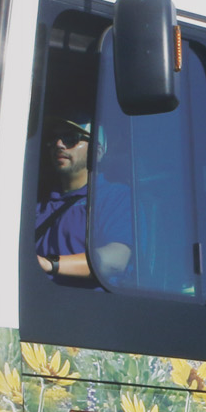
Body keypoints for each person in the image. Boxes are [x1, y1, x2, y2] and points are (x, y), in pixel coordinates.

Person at [33, 116, 132, 290]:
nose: (59, 144)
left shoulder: (115, 196)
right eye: (54, 139)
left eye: (70, 139)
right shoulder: (37, 205)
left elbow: (116, 260)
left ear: (97, 152)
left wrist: (49, 263)